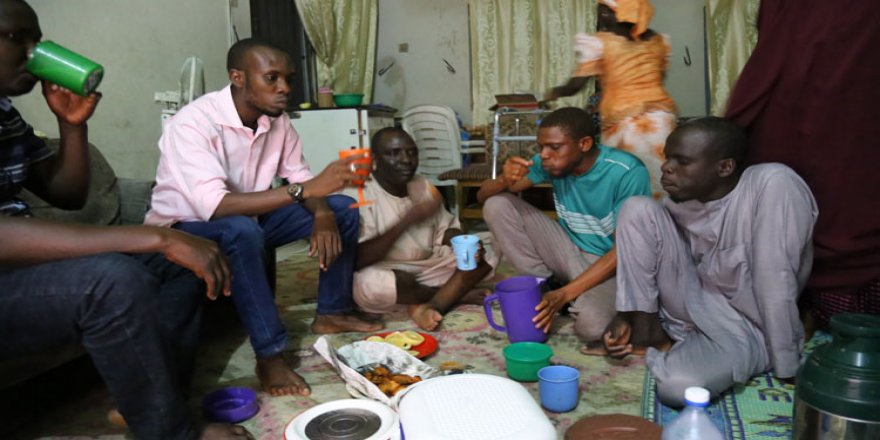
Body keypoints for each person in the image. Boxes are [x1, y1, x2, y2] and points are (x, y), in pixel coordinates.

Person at [0, 1, 249, 438]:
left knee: (180, 264)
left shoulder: (6, 117)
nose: (34, 52)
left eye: (37, 38)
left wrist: (72, 125)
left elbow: (68, 194)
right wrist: (153, 238)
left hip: (21, 273)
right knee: (112, 279)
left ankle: (153, 406)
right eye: (16, 37)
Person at [144, 38, 383, 397]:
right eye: (271, 78)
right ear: (237, 77)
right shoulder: (192, 123)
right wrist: (308, 192)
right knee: (241, 231)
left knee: (342, 210)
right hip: (186, 227)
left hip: (249, 221)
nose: (284, 88)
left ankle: (332, 312)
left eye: (287, 78)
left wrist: (322, 215)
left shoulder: (278, 122)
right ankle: (269, 355)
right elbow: (216, 206)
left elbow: (300, 179)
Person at [599, 117, 817, 407]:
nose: (666, 167)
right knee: (636, 209)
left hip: (748, 324)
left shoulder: (773, 184)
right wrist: (626, 315)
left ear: (724, 167)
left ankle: (693, 347)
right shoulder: (685, 200)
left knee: (678, 390)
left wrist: (787, 363)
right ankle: (648, 332)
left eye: (682, 161)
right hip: (693, 301)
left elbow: (774, 277)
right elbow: (655, 251)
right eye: (668, 158)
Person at [477, 107, 651, 345]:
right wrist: (504, 180)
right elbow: (483, 197)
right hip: (567, 249)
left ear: (585, 144)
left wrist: (565, 294)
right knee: (497, 204)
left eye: (554, 147)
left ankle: (567, 293)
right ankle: (542, 285)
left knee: (593, 329)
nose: (544, 155)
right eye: (541, 147)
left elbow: (625, 250)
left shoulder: (626, 171)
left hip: (610, 263)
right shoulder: (550, 163)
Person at [347, 127, 499, 331]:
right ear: (374, 159)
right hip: (386, 272)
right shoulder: (359, 193)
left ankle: (430, 301)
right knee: (370, 285)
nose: (406, 160)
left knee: (487, 250)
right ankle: (455, 294)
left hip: (428, 266)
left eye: (412, 152)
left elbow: (446, 229)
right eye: (394, 153)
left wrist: (462, 243)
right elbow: (357, 259)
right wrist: (407, 220)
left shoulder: (423, 185)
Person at [545, 0, 676, 197]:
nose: (599, 17)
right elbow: (661, 77)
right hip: (661, 120)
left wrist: (553, 93)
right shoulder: (659, 41)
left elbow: (575, 86)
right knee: (661, 176)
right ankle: (663, 223)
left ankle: (630, 224)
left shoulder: (600, 43)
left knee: (624, 178)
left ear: (610, 13)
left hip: (625, 123)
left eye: (601, 11)